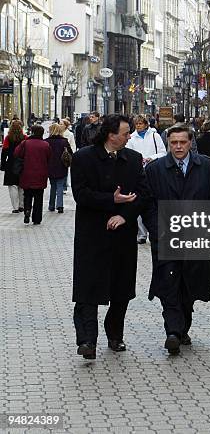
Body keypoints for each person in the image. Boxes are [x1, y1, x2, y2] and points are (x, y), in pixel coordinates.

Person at [70, 114, 156, 360]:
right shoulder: (84, 157)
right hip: (92, 234)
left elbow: (143, 194)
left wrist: (124, 216)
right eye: (126, 133)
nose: (130, 136)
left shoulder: (133, 159)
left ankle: (115, 334)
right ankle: (87, 340)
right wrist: (111, 199)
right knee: (89, 288)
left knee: (121, 288)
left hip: (122, 235)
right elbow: (81, 194)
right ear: (111, 134)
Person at [145, 123, 210, 355]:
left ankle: (182, 327)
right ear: (168, 143)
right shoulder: (156, 169)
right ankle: (173, 331)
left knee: (189, 285)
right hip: (166, 237)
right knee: (168, 284)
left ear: (191, 143)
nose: (178, 147)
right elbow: (147, 203)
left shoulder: (208, 168)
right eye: (173, 143)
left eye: (182, 142)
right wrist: (156, 229)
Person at [126, 115, 167, 244]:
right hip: (138, 172)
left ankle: (154, 230)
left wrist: (151, 158)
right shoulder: (131, 138)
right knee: (138, 200)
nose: (138, 126)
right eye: (136, 124)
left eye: (140, 123)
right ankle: (142, 234)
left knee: (154, 200)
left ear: (146, 124)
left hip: (153, 171)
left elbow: (163, 152)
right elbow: (129, 153)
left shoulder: (155, 136)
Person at [15, 124, 51, 225]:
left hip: (27, 173)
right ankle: (37, 218)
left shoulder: (25, 143)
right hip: (41, 174)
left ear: (32, 132)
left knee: (27, 195)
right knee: (39, 197)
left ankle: (27, 210)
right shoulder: (45, 145)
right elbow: (49, 157)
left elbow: (16, 153)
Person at [45, 123, 73, 213]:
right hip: (62, 166)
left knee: (53, 186)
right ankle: (60, 206)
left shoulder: (46, 141)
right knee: (60, 185)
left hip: (50, 166)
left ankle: (51, 205)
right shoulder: (64, 141)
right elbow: (70, 153)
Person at [1, 120, 27, 213]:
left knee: (12, 186)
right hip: (22, 163)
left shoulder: (8, 138)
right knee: (22, 185)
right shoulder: (25, 138)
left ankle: (15, 207)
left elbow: (4, 152)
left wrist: (2, 165)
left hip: (11, 164)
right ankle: (22, 205)